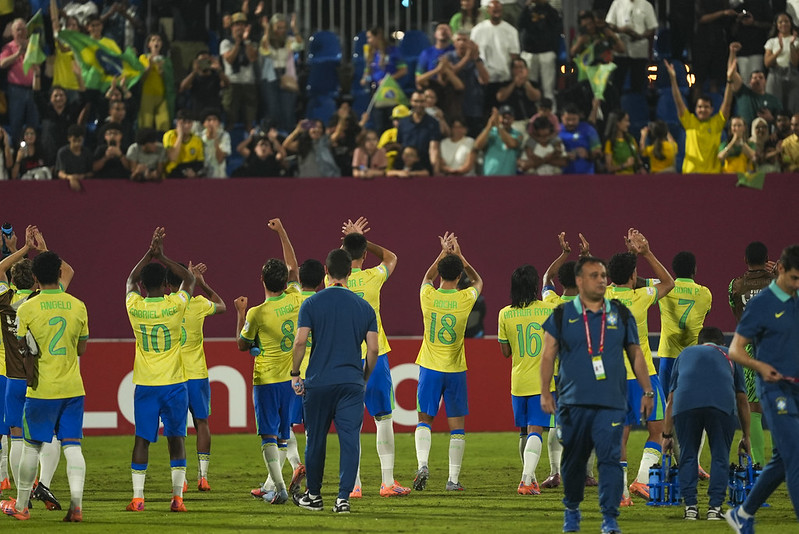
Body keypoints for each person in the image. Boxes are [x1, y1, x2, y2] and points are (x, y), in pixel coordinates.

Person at [540, 255, 654, 534]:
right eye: (595, 275)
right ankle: (572, 511)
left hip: (611, 402)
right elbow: (547, 355)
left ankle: (610, 518)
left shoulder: (620, 314)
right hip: (572, 403)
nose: (602, 280)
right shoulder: (561, 314)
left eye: (604, 275)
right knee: (574, 462)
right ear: (579, 281)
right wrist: (545, 392)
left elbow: (636, 353)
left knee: (611, 460)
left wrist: (647, 389)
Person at [0, 245, 87, 522]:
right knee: (72, 446)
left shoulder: (26, 307)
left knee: (29, 445)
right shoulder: (77, 305)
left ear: (35, 277)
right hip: (73, 387)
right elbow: (81, 349)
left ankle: (22, 505)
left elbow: (25, 349)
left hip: (39, 388)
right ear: (58, 273)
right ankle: (76, 506)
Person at [290, 248, 378, 514]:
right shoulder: (364, 307)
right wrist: (363, 377)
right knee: (350, 440)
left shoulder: (312, 303)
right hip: (351, 383)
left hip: (318, 383)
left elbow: (301, 341)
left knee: (315, 439)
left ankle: (314, 496)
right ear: (350, 272)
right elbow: (373, 349)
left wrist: (295, 373)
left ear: (326, 273)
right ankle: (343, 499)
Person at [725, 245, 799, 532]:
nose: (796, 284)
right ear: (780, 268)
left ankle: (742, 514)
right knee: (795, 456)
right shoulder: (762, 303)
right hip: (774, 390)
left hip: (795, 388)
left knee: (783, 457)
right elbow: (735, 350)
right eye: (793, 278)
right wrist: (761, 367)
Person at [124, 227, 196, 513]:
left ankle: (138, 498)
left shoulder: (135, 306)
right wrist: (163, 256)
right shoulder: (175, 305)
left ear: (143, 285)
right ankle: (178, 499)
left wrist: (149, 253)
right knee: (176, 439)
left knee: (142, 439)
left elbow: (129, 278)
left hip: (146, 383)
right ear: (166, 283)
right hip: (175, 383)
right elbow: (189, 279)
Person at [337, 218, 409, 498]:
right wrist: (364, 240)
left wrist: (347, 242)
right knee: (384, 417)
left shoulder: (333, 281)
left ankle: (354, 485)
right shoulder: (373, 277)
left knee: (350, 422)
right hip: (374, 355)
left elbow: (333, 261)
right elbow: (391, 257)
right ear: (365, 254)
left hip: (345, 358)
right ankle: (388, 483)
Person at [604, 229, 674, 506]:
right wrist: (644, 253)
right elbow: (668, 282)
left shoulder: (602, 296)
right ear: (634, 276)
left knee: (619, 435)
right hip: (643, 376)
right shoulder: (642, 296)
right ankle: (642, 479)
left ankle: (621, 493)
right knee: (657, 431)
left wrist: (629, 260)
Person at [235, 218, 302, 505]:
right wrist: (283, 232)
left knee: (268, 436)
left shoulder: (256, 313)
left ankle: (279, 488)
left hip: (265, 380)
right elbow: (294, 268)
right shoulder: (297, 298)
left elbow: (242, 344)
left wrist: (239, 314)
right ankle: (277, 486)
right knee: (284, 436)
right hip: (290, 379)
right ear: (286, 281)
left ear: (261, 281)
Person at [413, 232, 482, 492]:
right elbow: (477, 280)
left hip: (430, 367)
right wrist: (461, 257)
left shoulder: (427, 296)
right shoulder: (465, 299)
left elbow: (426, 278)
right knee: (457, 427)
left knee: (424, 420)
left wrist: (442, 253)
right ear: (459, 277)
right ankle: (452, 480)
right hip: (455, 370)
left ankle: (422, 464)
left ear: (441, 274)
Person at [662, 327, 750, 521]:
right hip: (721, 406)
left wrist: (667, 435)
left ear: (699, 343)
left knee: (688, 455)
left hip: (686, 405)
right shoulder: (730, 355)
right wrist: (746, 435)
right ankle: (714, 508)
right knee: (720, 456)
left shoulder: (685, 354)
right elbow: (742, 399)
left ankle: (691, 508)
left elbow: (671, 398)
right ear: (722, 343)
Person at [165, 261, 225, 492]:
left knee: (176, 428)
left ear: (168, 284)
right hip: (197, 374)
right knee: (202, 423)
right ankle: (203, 477)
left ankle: (182, 480)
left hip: (173, 375)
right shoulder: (199, 303)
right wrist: (203, 284)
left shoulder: (166, 305)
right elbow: (222, 305)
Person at [497, 264, 556, 495]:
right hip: (541, 381)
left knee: (524, 430)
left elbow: (505, 352)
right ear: (534, 287)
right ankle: (526, 480)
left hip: (518, 380)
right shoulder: (549, 310)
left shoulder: (504, 313)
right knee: (536, 430)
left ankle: (528, 476)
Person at [729, 241, 775, 469]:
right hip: (778, 348)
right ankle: (782, 462)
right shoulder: (780, 283)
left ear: (745, 260)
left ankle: (757, 464)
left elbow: (736, 313)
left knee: (753, 408)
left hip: (749, 349)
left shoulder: (735, 285)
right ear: (768, 259)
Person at [665, 58, 735, 174]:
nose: (703, 110)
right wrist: (673, 79)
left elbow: (727, 104)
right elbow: (678, 101)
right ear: (696, 109)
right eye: (700, 107)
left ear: (712, 110)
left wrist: (729, 80)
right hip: (691, 174)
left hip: (712, 175)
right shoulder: (689, 121)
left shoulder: (717, 123)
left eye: (706, 107)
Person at [657, 251, 713, 393]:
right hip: (693, 356)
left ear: (674, 269)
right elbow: (706, 312)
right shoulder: (705, 293)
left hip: (668, 355)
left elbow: (637, 282)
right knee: (690, 401)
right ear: (694, 269)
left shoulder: (665, 288)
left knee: (667, 402)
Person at [470, 1, 520, 113]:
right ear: (488, 11)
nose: (496, 12)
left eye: (498, 9)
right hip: (484, 81)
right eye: (493, 9)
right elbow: (473, 53)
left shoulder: (511, 31)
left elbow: (514, 56)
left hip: (504, 80)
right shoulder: (477, 30)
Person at [258, 13, 303, 133]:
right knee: (273, 111)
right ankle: (274, 139)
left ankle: (288, 138)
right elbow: (264, 51)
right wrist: (266, 31)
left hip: (286, 76)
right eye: (278, 27)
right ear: (272, 27)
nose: (281, 31)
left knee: (288, 111)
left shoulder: (289, 40)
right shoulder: (266, 40)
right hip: (270, 78)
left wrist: (295, 29)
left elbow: (299, 46)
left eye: (283, 27)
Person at [0, 18, 41, 144]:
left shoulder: (33, 45)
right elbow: (2, 64)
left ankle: (33, 151)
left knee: (33, 122)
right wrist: (18, 54)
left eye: (24, 29)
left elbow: (40, 62)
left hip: (33, 89)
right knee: (16, 122)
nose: (22, 32)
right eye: (18, 29)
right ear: (12, 32)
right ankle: (17, 150)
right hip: (16, 90)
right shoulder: (9, 47)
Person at [604, 0, 658, 94]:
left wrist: (640, 36)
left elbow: (652, 28)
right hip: (620, 50)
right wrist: (621, 30)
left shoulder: (646, 5)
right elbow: (609, 24)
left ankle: (636, 105)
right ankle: (617, 106)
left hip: (639, 51)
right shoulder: (617, 3)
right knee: (617, 83)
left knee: (638, 85)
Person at [517, 0, 562, 109]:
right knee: (530, 86)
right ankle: (532, 112)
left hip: (546, 52)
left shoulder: (551, 11)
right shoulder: (528, 10)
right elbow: (519, 24)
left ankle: (551, 114)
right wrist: (527, 6)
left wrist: (545, 4)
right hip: (529, 52)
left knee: (548, 88)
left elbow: (557, 25)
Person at [728, 44, 783, 130]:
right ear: (750, 82)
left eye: (761, 77)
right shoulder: (743, 92)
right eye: (754, 78)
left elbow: (782, 123)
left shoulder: (774, 100)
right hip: (744, 135)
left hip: (764, 137)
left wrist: (771, 119)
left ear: (765, 81)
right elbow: (732, 72)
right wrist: (732, 52)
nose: (757, 80)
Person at [220, 12, 258, 128]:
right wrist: (237, 43)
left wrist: (246, 41)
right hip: (232, 82)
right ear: (232, 27)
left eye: (242, 25)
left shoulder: (252, 43)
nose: (240, 27)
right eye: (237, 24)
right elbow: (230, 59)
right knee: (230, 117)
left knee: (250, 118)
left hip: (248, 82)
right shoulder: (226, 43)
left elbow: (252, 58)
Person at [397, 92, 442, 174]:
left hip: (424, 166)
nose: (419, 104)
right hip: (406, 166)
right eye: (416, 101)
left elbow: (434, 148)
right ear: (411, 101)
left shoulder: (433, 122)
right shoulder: (403, 122)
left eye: (422, 101)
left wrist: (435, 169)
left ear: (426, 102)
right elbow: (400, 145)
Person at [137, 33, 175, 131]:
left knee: (164, 123)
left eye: (158, 40)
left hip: (161, 96)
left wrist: (162, 70)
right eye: (153, 40)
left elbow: (169, 80)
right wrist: (149, 66)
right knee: (146, 123)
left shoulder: (166, 61)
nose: (156, 42)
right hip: (147, 94)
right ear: (149, 44)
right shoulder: (143, 58)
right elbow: (141, 78)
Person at [764, 13, 799, 114]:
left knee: (793, 107)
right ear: (777, 25)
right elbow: (767, 63)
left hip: (792, 74)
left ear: (791, 23)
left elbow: (795, 62)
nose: (784, 24)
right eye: (780, 22)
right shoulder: (771, 41)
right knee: (774, 108)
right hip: (775, 74)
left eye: (786, 21)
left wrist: (791, 46)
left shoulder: (796, 41)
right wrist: (779, 50)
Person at [474, 105, 522, 176]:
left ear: (513, 119)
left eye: (509, 118)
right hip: (490, 176)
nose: (506, 120)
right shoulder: (490, 131)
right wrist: (489, 125)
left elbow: (512, 144)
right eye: (503, 117)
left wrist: (499, 127)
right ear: (499, 117)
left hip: (509, 178)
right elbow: (477, 146)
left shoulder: (517, 134)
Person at [559, 103, 601, 174]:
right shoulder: (555, 131)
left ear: (579, 117)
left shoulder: (588, 129)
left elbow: (598, 152)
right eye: (567, 119)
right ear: (561, 117)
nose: (571, 123)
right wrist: (565, 155)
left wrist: (588, 154)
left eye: (574, 119)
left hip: (586, 175)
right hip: (562, 176)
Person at [163, 110, 204, 178]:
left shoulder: (197, 140)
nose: (187, 126)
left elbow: (200, 162)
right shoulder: (169, 135)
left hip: (190, 175)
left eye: (189, 122)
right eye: (184, 123)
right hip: (172, 175)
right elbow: (172, 157)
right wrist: (180, 136)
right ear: (177, 123)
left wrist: (194, 173)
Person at [55, 125, 93, 190]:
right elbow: (60, 172)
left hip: (85, 184)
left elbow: (91, 172)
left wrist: (82, 176)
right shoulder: (63, 152)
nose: (77, 144)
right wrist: (70, 177)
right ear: (69, 139)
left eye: (79, 141)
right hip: (65, 184)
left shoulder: (87, 152)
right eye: (74, 140)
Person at [200, 109, 231, 178]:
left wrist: (215, 138)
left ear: (219, 123)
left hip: (219, 177)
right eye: (209, 120)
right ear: (204, 123)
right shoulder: (199, 137)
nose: (212, 123)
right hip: (204, 177)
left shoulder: (224, 136)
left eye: (214, 120)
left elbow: (220, 159)